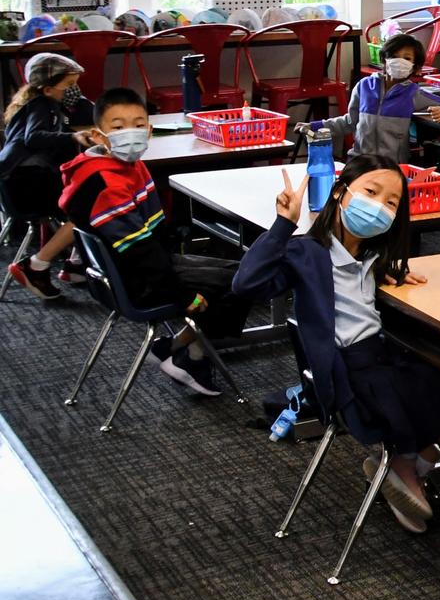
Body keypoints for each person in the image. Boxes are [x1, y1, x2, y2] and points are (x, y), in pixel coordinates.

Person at [232, 156, 440, 533]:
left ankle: (414, 465)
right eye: (371, 192)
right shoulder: (308, 253)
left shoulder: (369, 255)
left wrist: (389, 272)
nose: (379, 206)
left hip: (382, 358)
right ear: (340, 193)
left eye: (391, 202)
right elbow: (245, 285)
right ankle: (407, 467)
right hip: (349, 374)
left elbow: (363, 285)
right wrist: (283, 225)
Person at [59, 88, 252, 396]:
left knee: (246, 269)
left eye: (137, 124)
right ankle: (191, 356)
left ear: (149, 129)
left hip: (132, 272)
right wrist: (181, 294)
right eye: (118, 127)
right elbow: (139, 253)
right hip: (140, 280)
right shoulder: (107, 182)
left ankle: (173, 346)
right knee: (248, 279)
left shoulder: (118, 165)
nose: (130, 133)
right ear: (98, 136)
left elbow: (148, 243)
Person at [1, 52, 90, 299]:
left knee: (84, 200)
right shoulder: (41, 106)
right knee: (88, 208)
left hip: (20, 182)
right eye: (70, 85)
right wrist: (71, 136)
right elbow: (34, 137)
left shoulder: (42, 102)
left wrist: (79, 103)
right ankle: (36, 265)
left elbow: (86, 113)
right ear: (48, 89)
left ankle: (75, 265)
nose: (74, 90)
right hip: (25, 184)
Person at [309, 33, 440, 164]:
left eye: (407, 58)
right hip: (359, 163)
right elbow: (349, 121)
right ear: (384, 59)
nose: (399, 61)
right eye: (394, 57)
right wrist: (314, 127)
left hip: (393, 166)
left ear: (415, 67)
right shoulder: (364, 86)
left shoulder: (413, 93)